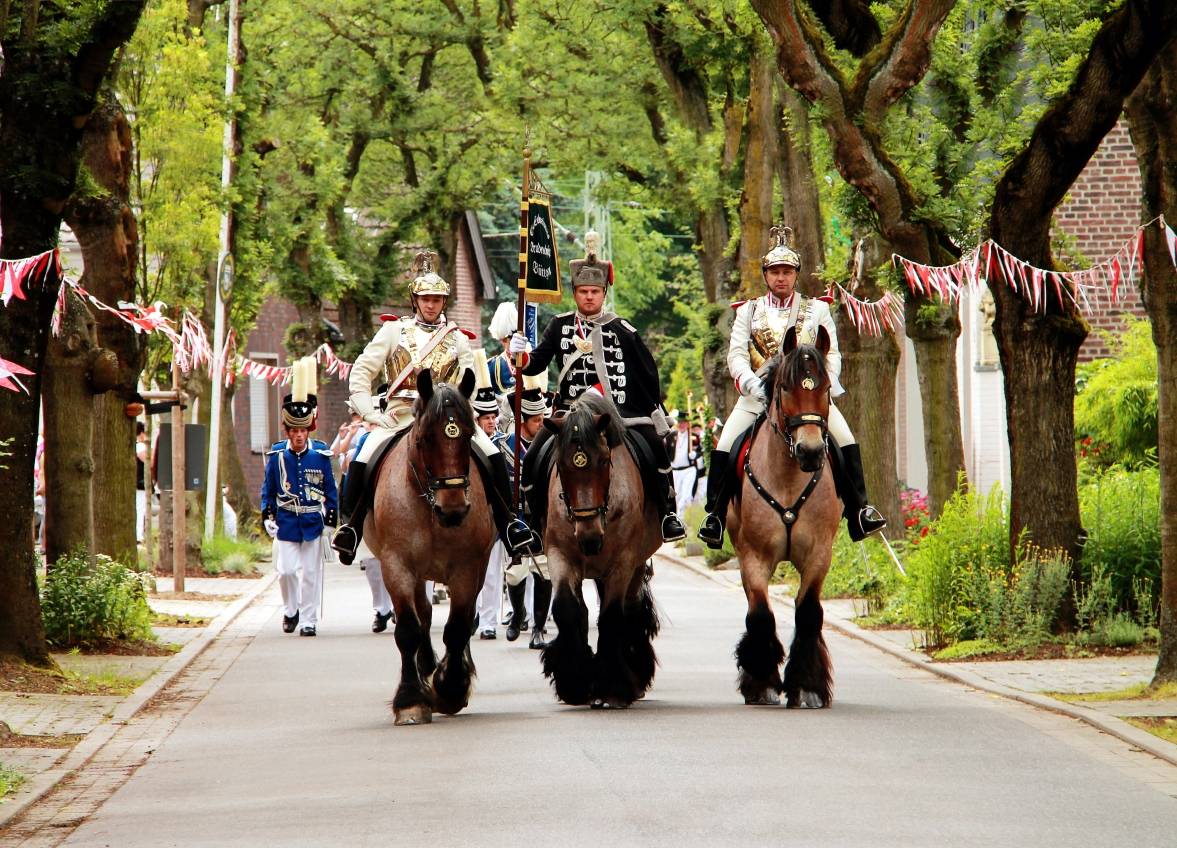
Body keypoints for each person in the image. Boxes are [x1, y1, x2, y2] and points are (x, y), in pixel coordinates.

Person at [331, 251, 539, 564]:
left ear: (444, 302)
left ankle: (509, 522)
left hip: (446, 419)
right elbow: (361, 372)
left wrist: (461, 412)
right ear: (415, 300)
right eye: (426, 299)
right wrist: (371, 414)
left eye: (437, 299)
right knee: (363, 454)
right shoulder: (392, 331)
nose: (431, 305)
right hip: (401, 415)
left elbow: (471, 383)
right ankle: (350, 526)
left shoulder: (457, 338)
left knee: (491, 454)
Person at [697, 225, 886, 549]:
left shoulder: (818, 309)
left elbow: (832, 352)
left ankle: (860, 510)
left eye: (787, 272)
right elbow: (737, 355)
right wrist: (752, 384)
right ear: (766, 275)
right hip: (758, 397)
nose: (781, 278)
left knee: (845, 440)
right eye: (775, 272)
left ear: (796, 274)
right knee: (726, 445)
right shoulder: (748, 311)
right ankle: (714, 516)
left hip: (807, 398)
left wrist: (824, 385)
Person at [509, 231, 687, 542]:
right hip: (568, 413)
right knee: (534, 455)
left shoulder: (622, 330)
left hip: (616, 412)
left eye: (594, 291)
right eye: (583, 291)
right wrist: (520, 354)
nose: (589, 297)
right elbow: (535, 364)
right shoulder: (559, 325)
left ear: (603, 293)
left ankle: (668, 513)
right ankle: (533, 524)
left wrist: (646, 408)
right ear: (575, 293)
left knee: (653, 448)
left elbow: (646, 373)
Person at [260, 378, 338, 637]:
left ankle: (308, 620)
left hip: (313, 522)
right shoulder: (277, 456)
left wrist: (330, 521)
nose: (299, 436)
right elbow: (268, 489)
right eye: (294, 431)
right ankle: (291, 610)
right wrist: (267, 515)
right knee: (286, 571)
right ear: (288, 432)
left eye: (302, 431)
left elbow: (330, 489)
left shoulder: (320, 454)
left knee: (311, 574)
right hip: (287, 521)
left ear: (308, 430)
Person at [496, 380, 553, 649]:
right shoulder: (503, 446)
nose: (541, 424)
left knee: (544, 572)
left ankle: (538, 629)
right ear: (522, 421)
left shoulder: (549, 446)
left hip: (541, 518)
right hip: (515, 518)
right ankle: (518, 614)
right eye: (536, 420)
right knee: (516, 573)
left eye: (543, 418)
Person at [665, 412, 699, 523]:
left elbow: (700, 450)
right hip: (675, 472)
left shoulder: (694, 437)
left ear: (688, 424)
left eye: (684, 422)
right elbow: (666, 452)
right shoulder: (671, 436)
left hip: (689, 470)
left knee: (686, 495)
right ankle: (680, 519)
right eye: (679, 422)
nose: (681, 425)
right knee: (676, 497)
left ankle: (682, 521)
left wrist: (695, 455)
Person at [135, 422, 148, 543]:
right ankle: (138, 535)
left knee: (140, 508)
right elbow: (149, 461)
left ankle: (139, 534)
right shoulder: (140, 446)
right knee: (141, 508)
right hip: (140, 482)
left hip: (138, 482)